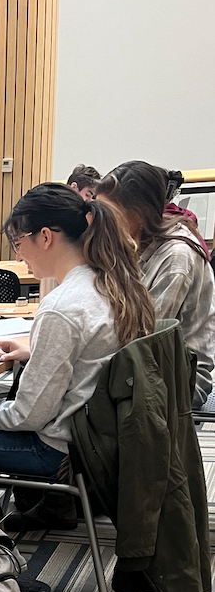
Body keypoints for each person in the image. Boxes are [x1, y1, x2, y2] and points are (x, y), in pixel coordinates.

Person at [0, 183, 154, 511]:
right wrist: (35, 352)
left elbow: (30, 415)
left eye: (18, 243)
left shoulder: (60, 307)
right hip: (103, 440)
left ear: (46, 237)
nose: (18, 256)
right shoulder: (113, 283)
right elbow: (89, 358)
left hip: (61, 450)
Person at [95, 160, 215, 408]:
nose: (101, 221)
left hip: (181, 379)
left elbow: (144, 336)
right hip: (145, 365)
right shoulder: (138, 242)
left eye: (109, 212)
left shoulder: (176, 256)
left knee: (77, 400)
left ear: (137, 213)